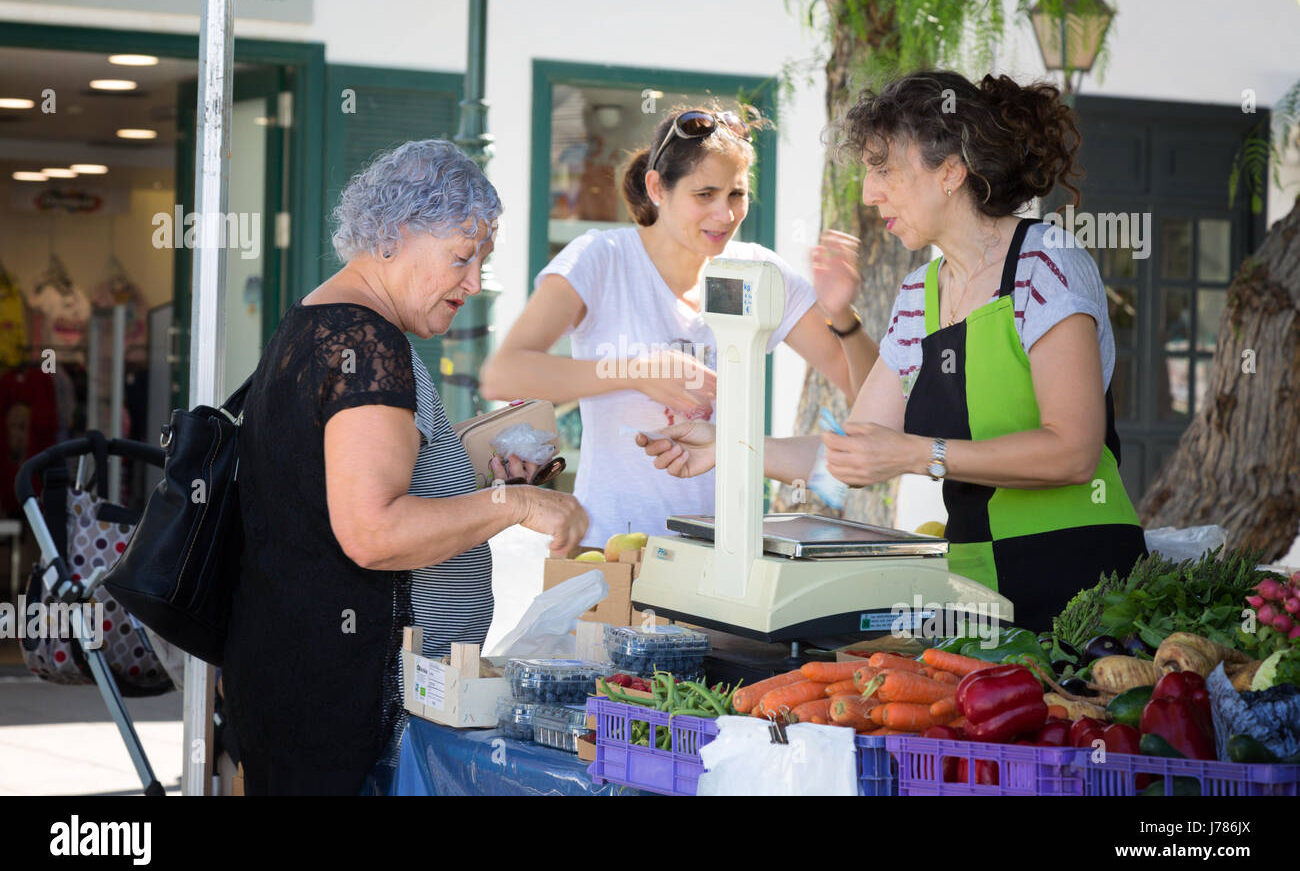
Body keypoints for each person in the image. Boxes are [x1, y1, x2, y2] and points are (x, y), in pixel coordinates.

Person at [640, 72, 1147, 632]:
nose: (868, 192)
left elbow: (1073, 452)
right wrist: (728, 446)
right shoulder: (918, 295)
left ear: (951, 171)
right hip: (974, 584)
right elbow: (850, 459)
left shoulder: (1045, 262)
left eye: (884, 170)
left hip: (1084, 579)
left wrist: (917, 454)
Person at [222, 140, 588, 795]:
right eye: (462, 256)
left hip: (305, 697)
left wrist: (488, 487)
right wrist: (516, 506)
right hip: (350, 718)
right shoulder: (366, 340)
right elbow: (374, 531)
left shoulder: (321, 321)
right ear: (392, 236)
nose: (475, 282)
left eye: (484, 259)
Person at [481, 105, 877, 549]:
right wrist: (636, 372)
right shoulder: (601, 258)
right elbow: (506, 373)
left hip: (727, 554)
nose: (725, 215)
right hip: (610, 549)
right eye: (705, 194)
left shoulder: (761, 272)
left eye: (736, 195)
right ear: (657, 188)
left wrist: (842, 314)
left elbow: (872, 395)